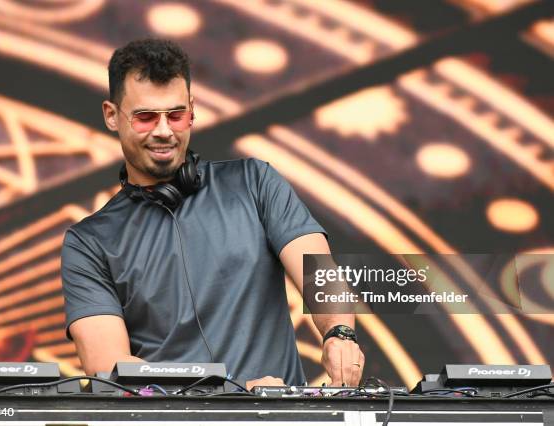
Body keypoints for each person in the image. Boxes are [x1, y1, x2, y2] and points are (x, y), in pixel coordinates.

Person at [61, 38, 364, 388]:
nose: (164, 131)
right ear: (112, 116)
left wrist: (339, 332)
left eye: (176, 115)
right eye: (145, 118)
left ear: (192, 109)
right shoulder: (89, 243)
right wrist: (231, 394)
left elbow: (321, 276)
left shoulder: (255, 182)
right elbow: (108, 368)